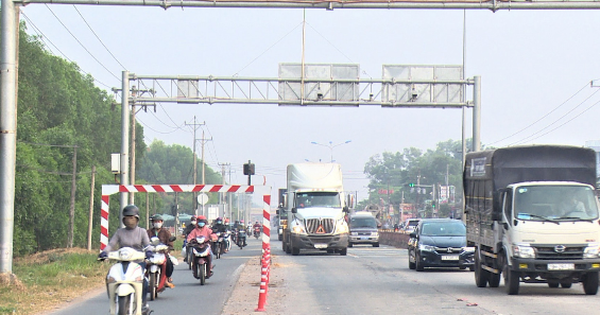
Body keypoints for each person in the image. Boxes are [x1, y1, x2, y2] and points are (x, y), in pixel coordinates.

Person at [98, 205, 152, 312]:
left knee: (144, 281)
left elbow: (147, 245)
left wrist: (149, 251)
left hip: (138, 262)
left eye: (132, 217)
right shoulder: (120, 232)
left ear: (137, 219)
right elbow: (111, 244)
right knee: (110, 277)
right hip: (121, 262)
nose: (129, 220)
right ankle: (113, 300)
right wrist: (104, 252)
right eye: (127, 217)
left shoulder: (142, 232)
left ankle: (143, 303)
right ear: (123, 219)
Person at [147, 214, 175, 289]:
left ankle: (166, 278)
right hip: (151, 253)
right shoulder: (148, 232)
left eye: (158, 221)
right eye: (155, 221)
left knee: (169, 263)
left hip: (163, 253)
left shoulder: (166, 232)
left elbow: (170, 242)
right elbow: (144, 242)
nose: (157, 223)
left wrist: (168, 248)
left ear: (162, 222)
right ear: (152, 223)